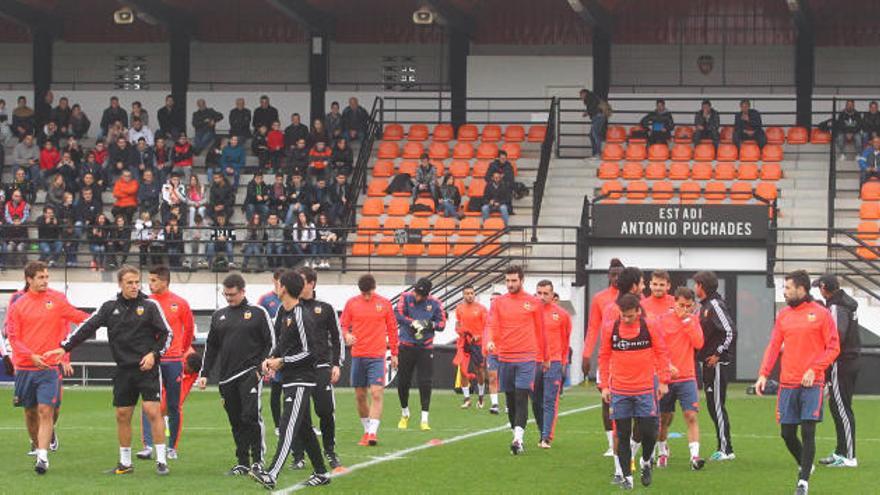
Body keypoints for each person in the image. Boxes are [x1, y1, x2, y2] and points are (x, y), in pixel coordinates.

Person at [45, 266, 173, 476]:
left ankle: (161, 460)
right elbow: (87, 327)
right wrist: (64, 347)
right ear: (120, 284)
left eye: (136, 282)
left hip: (147, 368)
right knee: (122, 415)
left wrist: (154, 355)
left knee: (152, 411)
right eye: (129, 282)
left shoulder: (150, 305)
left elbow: (168, 334)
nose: (134, 286)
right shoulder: (109, 307)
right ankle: (125, 462)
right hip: (123, 369)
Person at [755, 270, 840, 495]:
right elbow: (773, 346)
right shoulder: (783, 315)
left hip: (813, 384)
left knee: (808, 431)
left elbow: (834, 347)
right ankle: (806, 463)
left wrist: (815, 369)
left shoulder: (821, 314)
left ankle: (803, 483)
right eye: (784, 288)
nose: (785, 292)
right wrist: (763, 373)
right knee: (787, 434)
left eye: (788, 288)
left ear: (801, 289)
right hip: (787, 383)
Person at [6, 261, 89, 474]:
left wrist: (107, 318)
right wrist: (30, 356)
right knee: (30, 412)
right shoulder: (18, 305)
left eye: (46, 277)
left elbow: (79, 317)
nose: (45, 281)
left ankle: (42, 457)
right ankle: (36, 444)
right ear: (29, 279)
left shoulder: (56, 301)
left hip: (50, 368)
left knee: (46, 410)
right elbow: (14, 338)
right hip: (26, 368)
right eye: (41, 277)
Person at [251, 271, 331, 489]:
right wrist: (270, 359)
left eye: (278, 283)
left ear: (283, 288)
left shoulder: (300, 315)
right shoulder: (282, 312)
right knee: (304, 428)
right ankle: (322, 473)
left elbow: (310, 352)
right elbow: (280, 344)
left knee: (287, 427)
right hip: (289, 378)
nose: (275, 286)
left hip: (301, 379)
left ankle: (272, 473)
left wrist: (282, 361)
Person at [198, 273, 275, 476]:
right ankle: (242, 462)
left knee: (250, 416)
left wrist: (263, 366)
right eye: (226, 295)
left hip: (250, 373)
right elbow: (212, 347)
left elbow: (271, 342)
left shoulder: (258, 313)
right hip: (226, 377)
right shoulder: (219, 316)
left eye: (232, 294)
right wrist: (205, 373)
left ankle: (258, 461)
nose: (229, 298)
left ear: (242, 291)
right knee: (235, 420)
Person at [599, 294, 670, 490]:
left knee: (649, 432)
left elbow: (662, 353)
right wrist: (605, 385)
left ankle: (646, 462)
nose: (626, 319)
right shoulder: (611, 328)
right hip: (620, 391)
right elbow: (604, 357)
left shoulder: (650, 326)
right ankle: (627, 478)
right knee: (622, 435)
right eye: (623, 315)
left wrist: (664, 381)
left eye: (630, 316)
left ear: (638, 311)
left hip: (645, 389)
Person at [135, 266, 195, 461]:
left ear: (164, 281)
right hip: (153, 359)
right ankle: (148, 445)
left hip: (174, 361)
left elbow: (189, 330)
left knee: (173, 405)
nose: (149, 284)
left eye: (153, 280)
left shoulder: (180, 303)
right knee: (149, 403)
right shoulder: (145, 303)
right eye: (149, 280)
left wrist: (181, 350)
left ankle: (172, 447)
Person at [486, 265, 546, 455]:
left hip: (527, 358)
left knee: (521, 397)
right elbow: (493, 325)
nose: (510, 284)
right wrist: (490, 341)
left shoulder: (533, 302)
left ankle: (518, 439)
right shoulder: (499, 303)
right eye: (507, 281)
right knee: (510, 400)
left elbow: (540, 331)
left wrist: (544, 357)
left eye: (514, 281)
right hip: (505, 357)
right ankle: (516, 436)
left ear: (522, 280)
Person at [290, 267, 345, 471]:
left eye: (302, 281)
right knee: (298, 414)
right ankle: (298, 455)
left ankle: (330, 451)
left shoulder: (326, 308)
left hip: (321, 367)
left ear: (312, 283)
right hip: (297, 368)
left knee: (325, 411)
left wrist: (337, 364)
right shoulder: (289, 308)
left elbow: (337, 337)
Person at [340, 274, 399, 446]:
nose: (366, 296)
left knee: (376, 392)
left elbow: (392, 329)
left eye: (369, 293)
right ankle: (366, 430)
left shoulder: (385, 304)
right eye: (364, 293)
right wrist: (346, 334)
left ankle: (373, 433)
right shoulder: (352, 303)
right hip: (358, 355)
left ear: (374, 288)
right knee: (360, 395)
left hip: (377, 356)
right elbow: (343, 324)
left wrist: (394, 353)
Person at [656, 287, 705, 470]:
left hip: (687, 377)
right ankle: (662, 451)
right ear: (674, 302)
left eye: (688, 306)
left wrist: (686, 320)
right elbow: (657, 348)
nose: (684, 308)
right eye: (681, 305)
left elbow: (699, 343)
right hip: (666, 378)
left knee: (691, 415)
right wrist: (667, 366)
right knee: (663, 419)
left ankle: (695, 457)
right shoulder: (661, 320)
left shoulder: (692, 320)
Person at [813, 274, 860, 468]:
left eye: (819, 287)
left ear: (825, 288)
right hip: (849, 360)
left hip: (841, 362)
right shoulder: (844, 303)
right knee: (837, 406)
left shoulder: (836, 306)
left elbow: (835, 336)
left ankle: (849, 455)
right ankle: (841, 451)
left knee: (842, 408)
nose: (819, 291)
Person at [692, 270, 736, 461]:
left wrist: (718, 354)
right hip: (707, 364)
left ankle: (726, 449)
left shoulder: (715, 305)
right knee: (712, 405)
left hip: (716, 364)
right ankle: (724, 447)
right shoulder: (703, 306)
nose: (694, 287)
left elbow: (730, 331)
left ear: (701, 286)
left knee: (717, 405)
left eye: (696, 284)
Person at [395, 278, 446, 431]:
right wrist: (412, 322)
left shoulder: (435, 303)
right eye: (417, 293)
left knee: (425, 382)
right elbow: (397, 314)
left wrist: (428, 324)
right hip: (406, 346)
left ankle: (424, 418)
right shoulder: (405, 297)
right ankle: (405, 413)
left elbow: (442, 324)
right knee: (403, 382)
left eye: (421, 295)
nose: (417, 297)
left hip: (425, 347)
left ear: (427, 295)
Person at [532, 280, 571, 448]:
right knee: (535, 401)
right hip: (533, 361)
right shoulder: (530, 312)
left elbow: (565, 338)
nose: (541, 297)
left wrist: (564, 362)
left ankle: (546, 437)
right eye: (539, 293)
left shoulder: (561, 315)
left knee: (549, 399)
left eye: (545, 293)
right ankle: (543, 431)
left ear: (552, 294)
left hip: (553, 362)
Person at [258, 269, 285, 436]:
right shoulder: (266, 299)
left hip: (289, 348)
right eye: (280, 280)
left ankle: (301, 424)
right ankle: (277, 425)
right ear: (274, 280)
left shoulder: (290, 298)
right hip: (274, 349)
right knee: (276, 388)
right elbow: (259, 321)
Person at [455, 285, 488, 409]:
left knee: (479, 370)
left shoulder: (482, 309)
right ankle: (467, 399)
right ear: (463, 295)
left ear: (475, 294)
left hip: (478, 344)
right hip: (464, 343)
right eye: (467, 293)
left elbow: (487, 327)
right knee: (463, 370)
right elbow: (458, 324)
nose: (469, 295)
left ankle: (480, 397)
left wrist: (478, 336)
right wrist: (459, 331)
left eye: (471, 293)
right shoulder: (459, 308)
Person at [580, 88, 606, 156]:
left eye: (581, 95)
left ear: (585, 93)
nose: (581, 97)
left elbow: (593, 106)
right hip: (598, 117)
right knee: (592, 135)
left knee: (594, 134)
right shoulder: (591, 97)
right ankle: (595, 153)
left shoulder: (590, 97)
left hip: (598, 117)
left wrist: (587, 112)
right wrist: (588, 112)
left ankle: (598, 153)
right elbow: (594, 106)